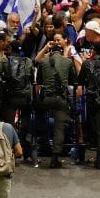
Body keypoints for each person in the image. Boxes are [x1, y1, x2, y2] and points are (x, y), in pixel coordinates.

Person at [35, 35, 77, 169]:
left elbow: (40, 81)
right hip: (61, 99)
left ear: (51, 51)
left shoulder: (43, 62)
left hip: (45, 98)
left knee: (40, 119)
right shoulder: (67, 62)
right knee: (60, 128)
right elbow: (72, 80)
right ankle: (55, 157)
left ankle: (43, 145)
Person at [76, 31, 100, 169]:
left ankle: (89, 154)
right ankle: (99, 158)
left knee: (91, 126)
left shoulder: (87, 64)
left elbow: (80, 80)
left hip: (91, 99)